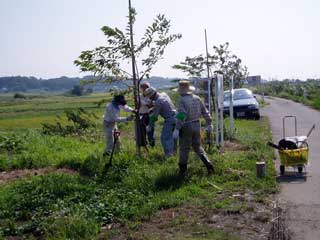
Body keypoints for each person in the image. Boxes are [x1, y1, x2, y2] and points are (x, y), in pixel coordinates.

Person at [173, 80, 214, 176]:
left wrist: (177, 128)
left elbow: (182, 115)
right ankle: (208, 164)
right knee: (197, 146)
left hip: (186, 125)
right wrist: (209, 123)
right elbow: (205, 112)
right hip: (197, 124)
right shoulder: (197, 98)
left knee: (184, 148)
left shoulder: (182, 100)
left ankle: (182, 172)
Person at [144, 87, 176, 157]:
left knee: (165, 138)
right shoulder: (164, 94)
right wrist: (154, 108)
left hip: (169, 119)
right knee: (173, 137)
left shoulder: (158, 102)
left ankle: (169, 156)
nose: (149, 99)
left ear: (152, 95)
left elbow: (155, 117)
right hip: (176, 116)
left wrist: (150, 126)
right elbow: (165, 106)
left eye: (150, 97)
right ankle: (174, 153)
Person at [139, 82, 155, 147]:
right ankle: (144, 145)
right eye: (143, 88)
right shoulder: (139, 96)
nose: (145, 89)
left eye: (146, 87)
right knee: (142, 131)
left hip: (149, 114)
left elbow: (152, 106)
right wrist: (146, 104)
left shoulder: (151, 95)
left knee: (150, 131)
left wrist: (145, 104)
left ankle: (152, 144)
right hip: (141, 115)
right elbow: (138, 105)